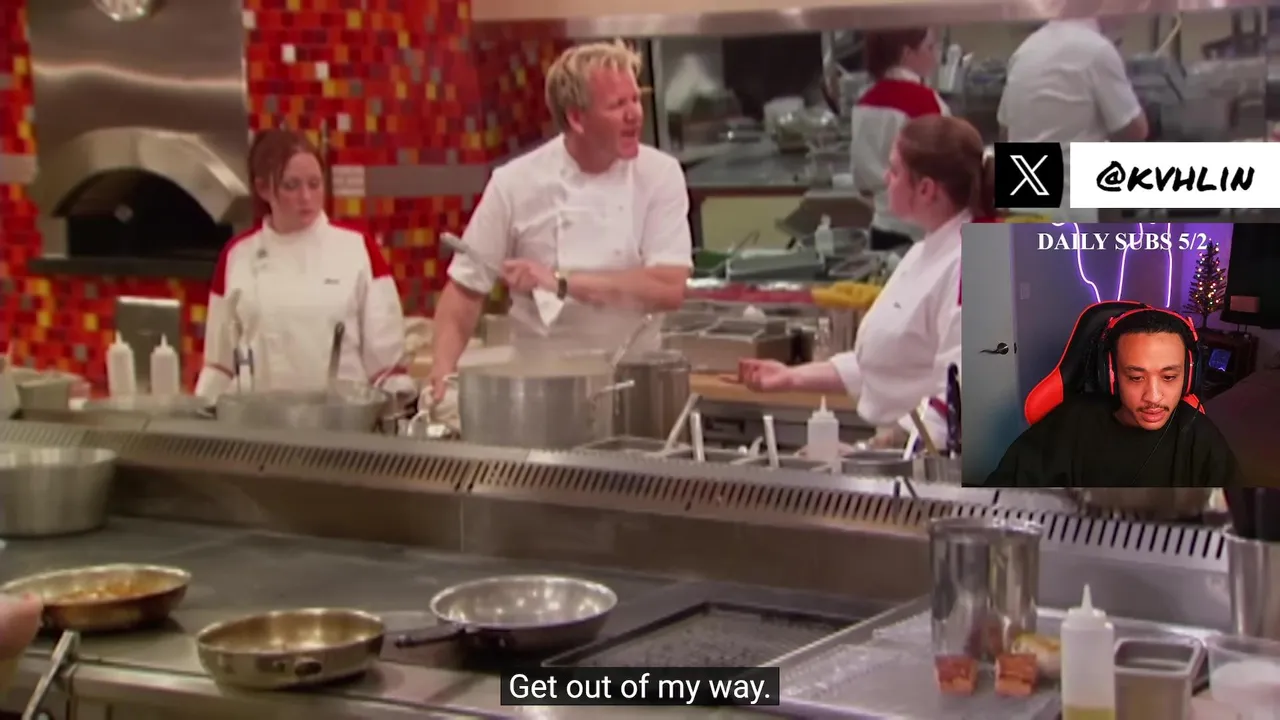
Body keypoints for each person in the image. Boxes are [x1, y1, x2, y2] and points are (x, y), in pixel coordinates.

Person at [429, 41, 693, 403]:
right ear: (576, 119)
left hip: (634, 384)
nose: (634, 114)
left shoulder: (659, 175)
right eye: (618, 104)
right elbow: (464, 290)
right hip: (540, 388)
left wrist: (559, 282)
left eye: (635, 99)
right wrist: (441, 374)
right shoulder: (515, 183)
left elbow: (667, 287)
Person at [743, 115, 995, 449]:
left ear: (926, 189)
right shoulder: (922, 252)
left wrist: (881, 449)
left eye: (894, 170)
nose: (885, 178)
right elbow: (885, 364)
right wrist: (792, 377)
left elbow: (962, 393)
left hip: (938, 463)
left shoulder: (974, 264)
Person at [195, 129, 414, 400]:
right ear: (263, 189)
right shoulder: (237, 256)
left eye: (314, 184)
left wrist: (401, 403)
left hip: (344, 419)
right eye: (291, 186)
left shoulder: (358, 249)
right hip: (262, 419)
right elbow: (219, 367)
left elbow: (387, 367)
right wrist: (202, 411)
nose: (306, 197)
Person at [983, 309, 1243, 487]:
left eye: (1169, 377)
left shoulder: (1200, 437)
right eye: (1136, 377)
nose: (1153, 397)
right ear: (1110, 375)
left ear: (1189, 377)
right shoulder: (1071, 424)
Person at [998, 19, 1149, 221]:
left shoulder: (1024, 50)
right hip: (1070, 205)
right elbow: (1135, 130)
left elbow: (1005, 132)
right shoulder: (1096, 50)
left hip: (1024, 201)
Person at [850, 28, 947, 253]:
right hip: (921, 235)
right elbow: (947, 170)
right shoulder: (924, 102)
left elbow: (861, 180)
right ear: (906, 54)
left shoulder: (864, 104)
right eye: (929, 47)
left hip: (882, 229)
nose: (935, 55)